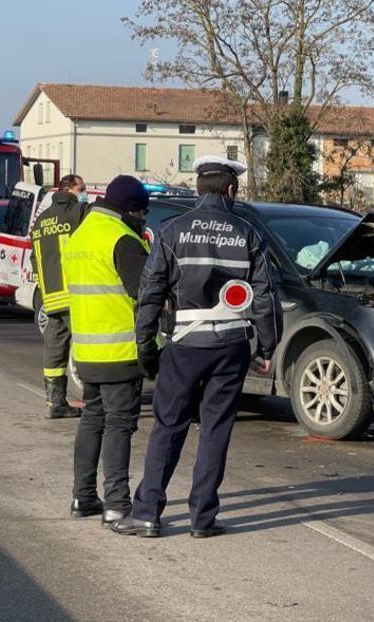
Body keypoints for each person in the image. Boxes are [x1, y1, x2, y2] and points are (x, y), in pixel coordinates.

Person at [112, 156, 282, 539]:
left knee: (168, 427)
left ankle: (147, 514)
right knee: (216, 430)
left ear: (197, 190)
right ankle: (203, 518)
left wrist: (145, 346)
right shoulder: (247, 234)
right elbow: (265, 295)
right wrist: (268, 347)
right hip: (232, 344)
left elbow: (150, 291)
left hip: (185, 344)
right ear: (232, 190)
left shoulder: (173, 231)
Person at [62, 175, 151, 524]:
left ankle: (83, 497)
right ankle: (116, 503)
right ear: (130, 210)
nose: (142, 219)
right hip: (119, 350)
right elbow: (147, 295)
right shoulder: (122, 239)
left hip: (86, 349)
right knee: (118, 425)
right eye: (141, 212)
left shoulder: (81, 234)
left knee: (91, 420)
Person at [31, 174, 90, 419]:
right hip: (75, 293)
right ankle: (97, 399)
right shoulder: (78, 212)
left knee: (55, 350)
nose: (85, 192)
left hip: (51, 296)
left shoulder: (41, 220)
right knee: (88, 347)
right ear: (70, 189)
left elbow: (35, 259)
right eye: (82, 188)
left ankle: (55, 402)